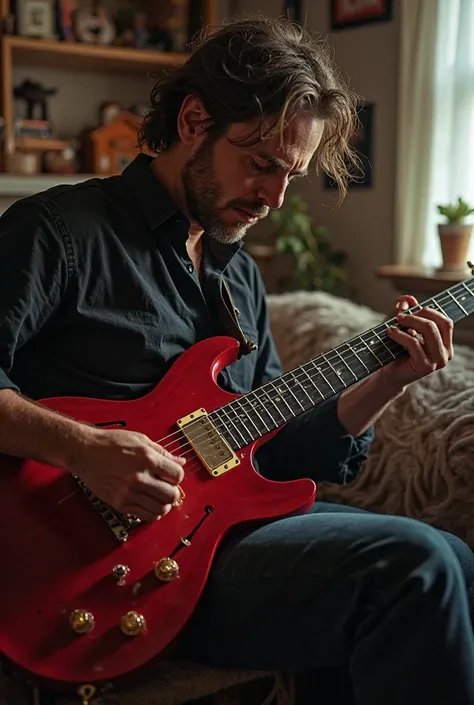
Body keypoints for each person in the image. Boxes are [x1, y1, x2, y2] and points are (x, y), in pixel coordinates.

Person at [0, 14, 473, 705]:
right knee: (417, 565)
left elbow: (274, 454)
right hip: (87, 571)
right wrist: (84, 449)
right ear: (194, 120)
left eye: (292, 175)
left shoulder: (238, 277)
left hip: (211, 540)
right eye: (262, 164)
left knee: (455, 556)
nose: (275, 198)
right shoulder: (58, 233)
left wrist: (387, 380)